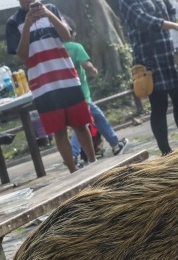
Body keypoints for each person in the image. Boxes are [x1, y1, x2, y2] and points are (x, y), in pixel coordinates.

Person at [7, 1, 97, 173]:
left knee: (80, 124)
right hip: (43, 86)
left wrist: (49, 15)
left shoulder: (52, 9)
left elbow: (67, 37)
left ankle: (94, 163)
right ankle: (73, 171)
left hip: (67, 77)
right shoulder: (13, 22)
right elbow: (23, 55)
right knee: (59, 130)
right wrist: (27, 26)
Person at [119, 0, 178, 154]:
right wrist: (175, 26)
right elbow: (143, 21)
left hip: (167, 53)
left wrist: (175, 24)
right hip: (149, 59)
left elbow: (170, 10)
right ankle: (166, 152)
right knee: (159, 105)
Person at [62, 16, 128, 165]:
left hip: (65, 96)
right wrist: (94, 71)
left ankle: (114, 143)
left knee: (95, 119)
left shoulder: (56, 50)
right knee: (83, 125)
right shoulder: (75, 47)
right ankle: (74, 154)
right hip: (82, 96)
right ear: (70, 32)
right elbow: (86, 65)